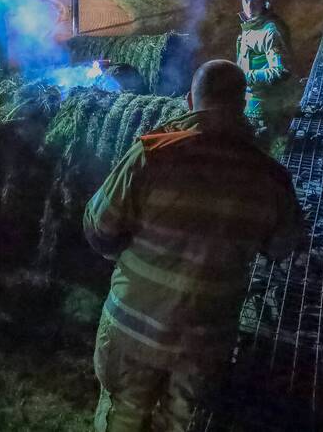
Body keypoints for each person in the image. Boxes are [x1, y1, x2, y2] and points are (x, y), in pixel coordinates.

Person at [84, 59, 306, 432]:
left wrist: (122, 250)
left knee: (124, 414)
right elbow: (284, 246)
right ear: (242, 104)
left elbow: (97, 226)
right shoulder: (270, 178)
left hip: (133, 326)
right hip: (205, 340)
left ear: (190, 101)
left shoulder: (151, 155)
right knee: (183, 423)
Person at [236, 0, 294, 150]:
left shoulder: (269, 31)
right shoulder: (250, 26)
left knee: (261, 153)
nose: (249, 5)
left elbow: (281, 70)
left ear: (263, 0)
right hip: (249, 104)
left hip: (265, 108)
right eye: (245, 0)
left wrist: (243, 77)